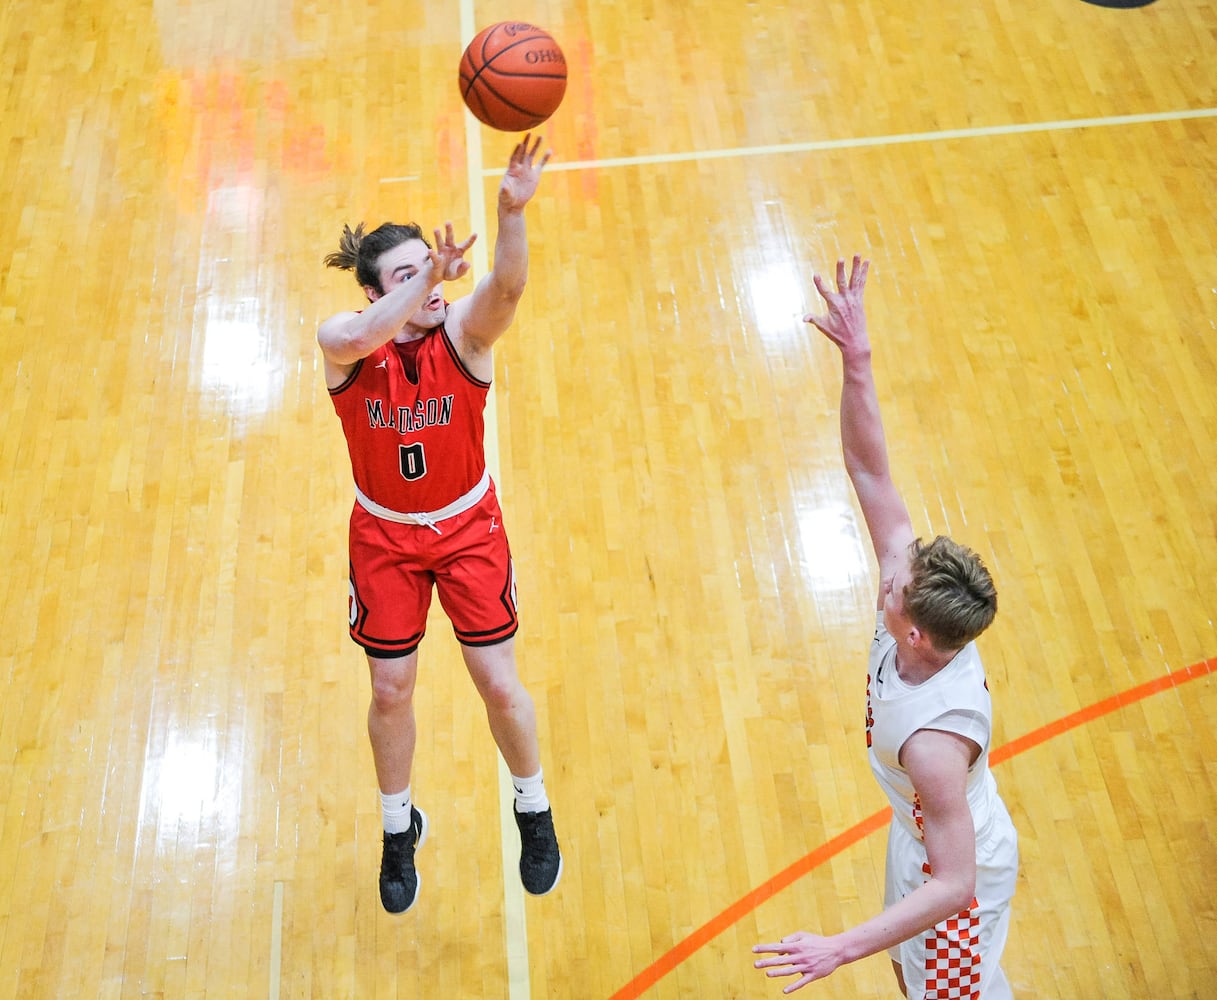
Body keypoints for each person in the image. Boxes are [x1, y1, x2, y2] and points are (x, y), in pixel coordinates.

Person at [753, 256, 1018, 997]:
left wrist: (838, 949)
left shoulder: (936, 743)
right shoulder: (917, 611)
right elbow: (869, 472)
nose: (885, 572)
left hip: (954, 880)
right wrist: (857, 362)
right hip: (915, 840)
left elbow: (957, 881)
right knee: (911, 981)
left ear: (915, 637)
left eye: (892, 588)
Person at [316, 135, 561, 914]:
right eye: (406, 272)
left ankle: (533, 805)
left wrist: (509, 212)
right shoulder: (344, 341)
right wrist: (423, 278)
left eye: (430, 266)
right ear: (375, 291)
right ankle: (398, 826)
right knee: (390, 690)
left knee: (496, 680)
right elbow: (357, 336)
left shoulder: (463, 334)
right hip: (384, 535)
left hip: (466, 529)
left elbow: (509, 289)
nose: (429, 281)